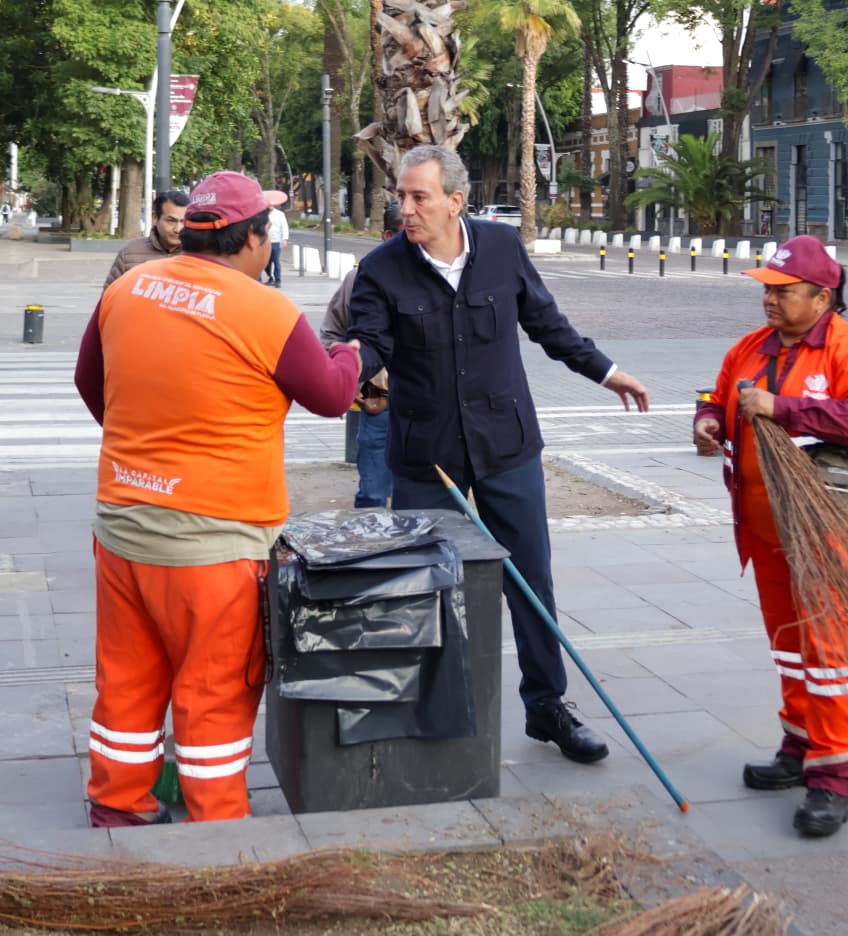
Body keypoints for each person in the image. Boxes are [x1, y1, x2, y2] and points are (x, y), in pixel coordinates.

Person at [74, 171, 361, 826]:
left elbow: (91, 380)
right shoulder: (265, 310)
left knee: (126, 680)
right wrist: (350, 351)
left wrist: (144, 447)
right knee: (213, 696)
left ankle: (118, 808)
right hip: (216, 547)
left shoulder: (126, 290)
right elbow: (331, 395)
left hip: (122, 530)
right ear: (255, 239)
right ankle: (215, 830)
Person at [347, 145, 649, 765]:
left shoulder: (502, 250)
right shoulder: (380, 269)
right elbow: (368, 344)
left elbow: (548, 325)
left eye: (418, 197)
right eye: (400, 196)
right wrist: (338, 371)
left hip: (506, 446)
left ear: (455, 202)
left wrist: (607, 372)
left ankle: (547, 706)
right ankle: (430, 712)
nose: (404, 208)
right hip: (426, 457)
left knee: (530, 580)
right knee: (425, 587)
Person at [693, 235, 848, 838]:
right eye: (767, 289)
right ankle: (799, 744)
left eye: (783, 292)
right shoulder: (750, 348)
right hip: (764, 530)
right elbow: (716, 393)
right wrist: (707, 421)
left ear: (823, 296)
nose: (770, 300)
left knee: (828, 654)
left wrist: (782, 409)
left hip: (833, 535)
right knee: (789, 646)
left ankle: (833, 778)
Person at [319, 201, 402, 507]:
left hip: (431, 407)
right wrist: (354, 385)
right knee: (373, 496)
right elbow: (330, 334)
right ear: (388, 236)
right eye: (405, 234)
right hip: (379, 402)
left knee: (425, 500)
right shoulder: (359, 279)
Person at [102, 190, 190, 288]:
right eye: (171, 221)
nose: (178, 229)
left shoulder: (198, 255)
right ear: (155, 218)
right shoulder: (129, 253)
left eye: (184, 221)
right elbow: (109, 297)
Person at [265, 203, 290, 287]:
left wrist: (285, 239)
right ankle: (270, 277)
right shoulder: (263, 214)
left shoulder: (279, 214)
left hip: (276, 240)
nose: (269, 206)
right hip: (265, 241)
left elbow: (284, 227)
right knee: (266, 262)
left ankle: (278, 280)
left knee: (276, 261)